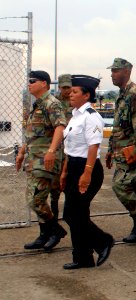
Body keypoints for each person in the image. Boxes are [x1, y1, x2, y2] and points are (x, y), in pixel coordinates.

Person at [61, 75, 114, 269]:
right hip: (74, 167)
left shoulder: (92, 116)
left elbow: (93, 146)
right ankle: (83, 257)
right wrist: (65, 172)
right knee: (76, 214)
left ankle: (103, 241)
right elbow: (70, 148)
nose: (70, 94)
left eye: (75, 92)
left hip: (88, 168)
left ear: (86, 95)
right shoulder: (75, 116)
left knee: (73, 214)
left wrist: (87, 174)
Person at [16, 70, 67, 251]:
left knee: (36, 199)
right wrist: (21, 153)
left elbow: (60, 127)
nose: (29, 84)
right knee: (35, 198)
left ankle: (55, 231)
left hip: (45, 160)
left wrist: (52, 151)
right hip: (33, 159)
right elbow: (32, 135)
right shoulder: (37, 105)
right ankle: (45, 233)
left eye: (33, 81)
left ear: (44, 83)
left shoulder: (51, 103)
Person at [105, 58, 136, 243]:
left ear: (127, 71)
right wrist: (110, 149)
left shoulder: (135, 94)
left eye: (116, 71)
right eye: (112, 71)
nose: (112, 74)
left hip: (133, 150)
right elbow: (117, 126)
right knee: (130, 187)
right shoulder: (121, 94)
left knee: (121, 185)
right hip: (120, 150)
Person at [48, 74, 74, 222]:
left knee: (71, 184)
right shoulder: (54, 102)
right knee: (54, 186)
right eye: (63, 87)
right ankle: (54, 216)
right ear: (59, 87)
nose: (66, 91)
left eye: (68, 87)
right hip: (58, 148)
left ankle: (69, 215)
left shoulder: (75, 102)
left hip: (71, 148)